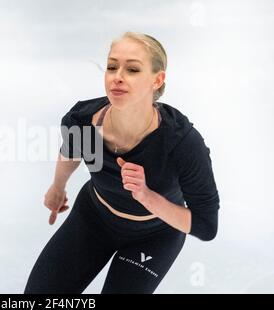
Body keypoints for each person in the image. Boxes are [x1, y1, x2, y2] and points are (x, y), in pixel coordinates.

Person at [23, 31, 220, 294]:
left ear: (157, 80)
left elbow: (206, 226)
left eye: (133, 69)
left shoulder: (181, 143)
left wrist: (148, 197)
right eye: (112, 66)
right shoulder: (82, 121)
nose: (117, 76)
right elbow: (71, 151)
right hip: (93, 219)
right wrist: (57, 187)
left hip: (155, 236)